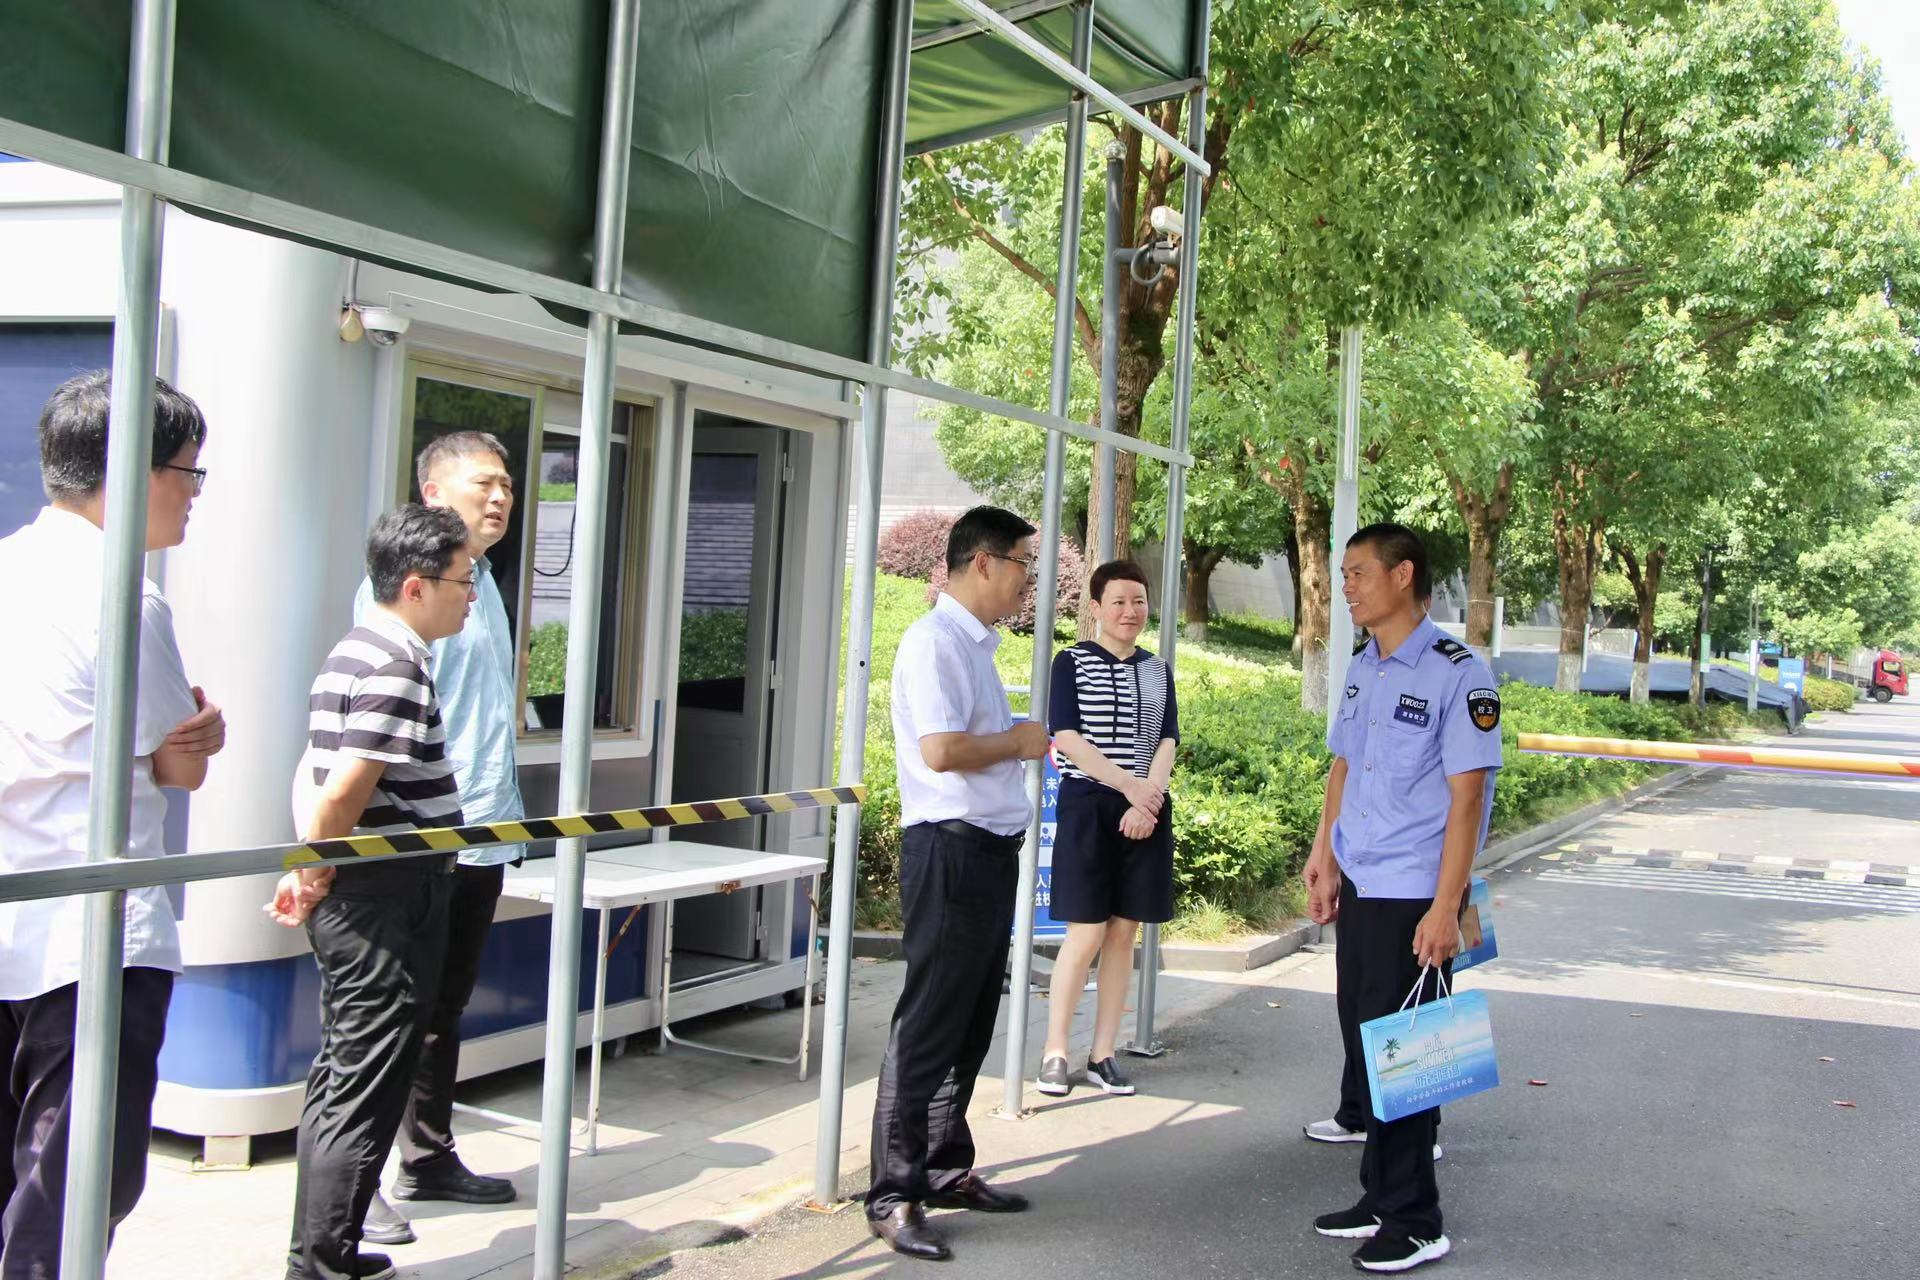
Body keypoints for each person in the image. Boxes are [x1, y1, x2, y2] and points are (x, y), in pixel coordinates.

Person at [0, 371, 226, 1276]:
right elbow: (179, 765)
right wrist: (197, 737)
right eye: (189, 472)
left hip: (14, 917)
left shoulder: (10, 567)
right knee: (74, 1189)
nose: (194, 494)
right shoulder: (126, 598)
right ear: (134, 472)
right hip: (96, 936)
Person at [271, 504, 476, 1280]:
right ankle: (321, 1264)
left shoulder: (356, 650)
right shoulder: (394, 665)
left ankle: (324, 1251)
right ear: (416, 586)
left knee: (343, 1077)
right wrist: (313, 868)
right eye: (463, 580)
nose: (470, 595)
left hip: (371, 888)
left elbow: (315, 772)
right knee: (363, 1085)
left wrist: (310, 865)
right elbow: (343, 790)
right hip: (383, 895)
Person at [1303, 522, 1502, 1274]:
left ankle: (1417, 1219)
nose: (1345, 586)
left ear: (1403, 575)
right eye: (1344, 574)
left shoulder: (1459, 672)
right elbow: (1344, 765)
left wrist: (1446, 907)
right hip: (1362, 882)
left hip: (1415, 893)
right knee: (1366, 1044)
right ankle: (1380, 1195)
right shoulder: (1366, 664)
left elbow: (1467, 798)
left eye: (1357, 572)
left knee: (1410, 1056)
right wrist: (1324, 854)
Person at [350, 433, 523, 1246]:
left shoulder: (481, 583)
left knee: (441, 1009)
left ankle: (426, 1156)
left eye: (507, 486)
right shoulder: (403, 591)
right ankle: (358, 1185)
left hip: (482, 830)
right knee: (395, 1013)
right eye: (483, 483)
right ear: (431, 492)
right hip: (420, 837)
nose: (500, 497)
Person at [866, 506, 1049, 1262]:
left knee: (971, 1018)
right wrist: (1018, 741)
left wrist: (1012, 741)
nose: (1029, 580)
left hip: (986, 850)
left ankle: (943, 1167)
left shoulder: (975, 644)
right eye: (1023, 564)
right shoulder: (933, 641)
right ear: (983, 562)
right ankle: (893, 1193)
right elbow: (941, 750)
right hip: (950, 849)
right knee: (930, 1021)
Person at [1036, 559, 1177, 1099]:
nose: (1130, 611)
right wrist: (1128, 786)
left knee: (1123, 933)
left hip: (1146, 810)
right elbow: (1067, 738)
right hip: (1089, 807)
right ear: (1096, 607)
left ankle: (1103, 1054)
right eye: (1118, 601)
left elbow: (1167, 740)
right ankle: (1055, 1052)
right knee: (1087, 932)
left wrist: (1148, 799)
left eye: (1138, 601)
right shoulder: (1070, 662)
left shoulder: (1158, 669)